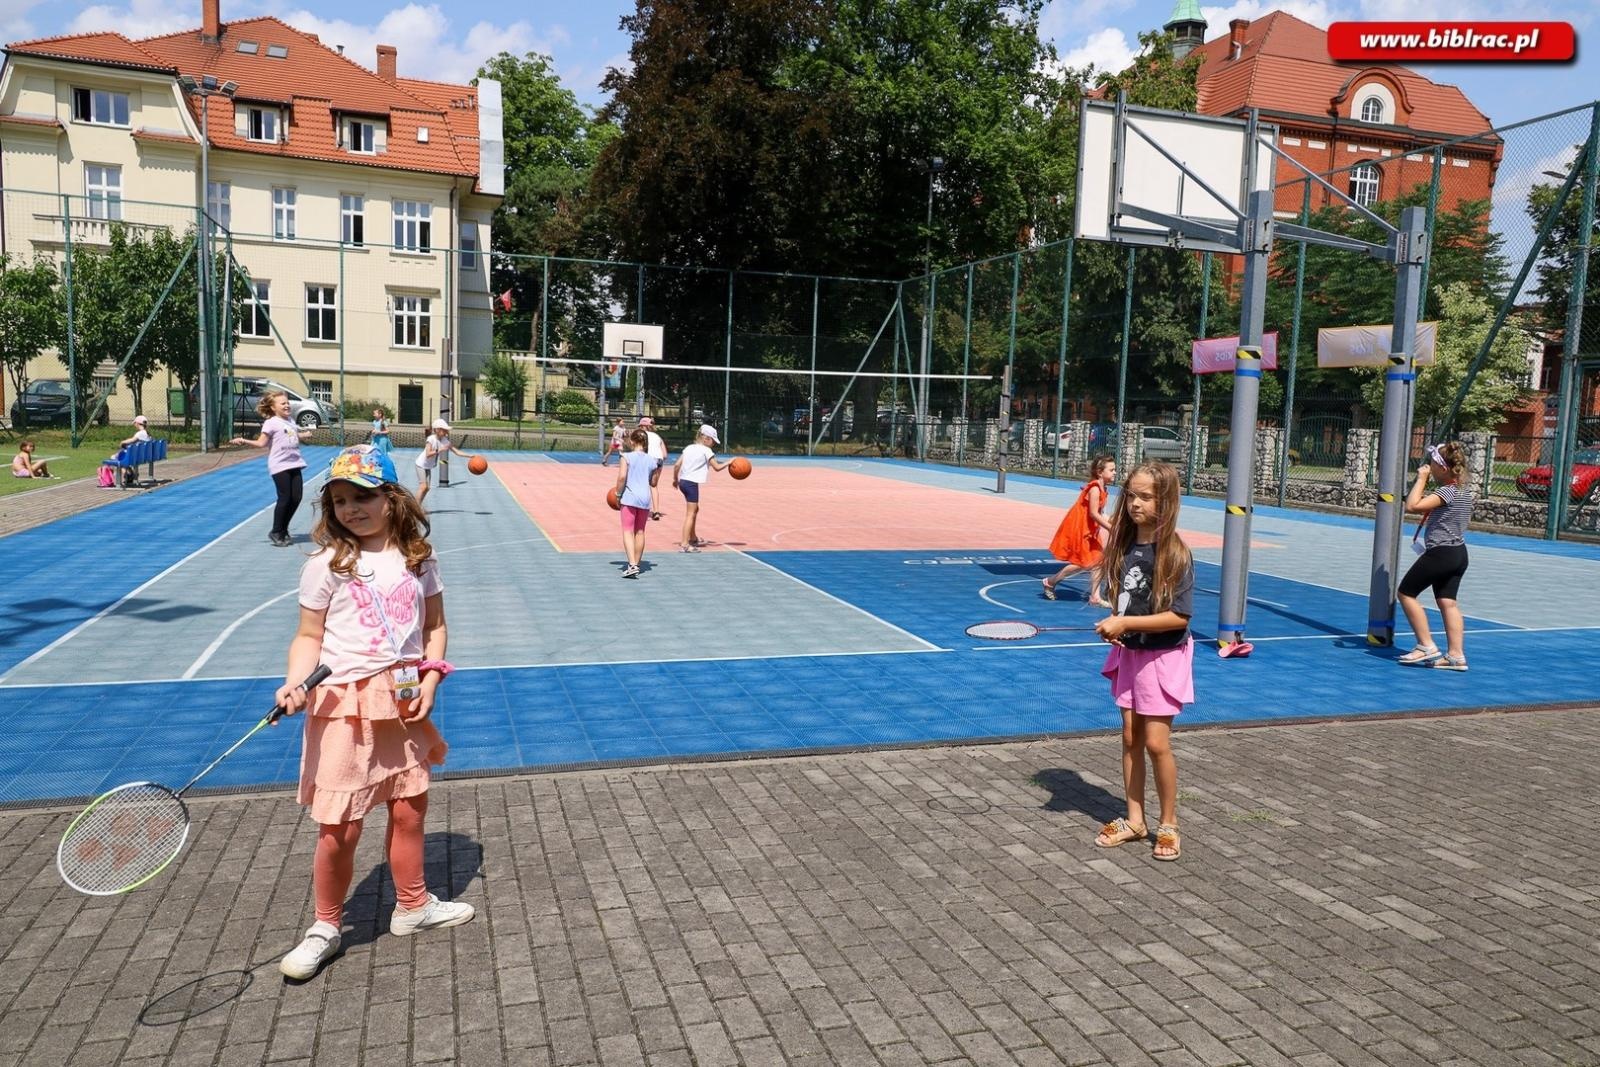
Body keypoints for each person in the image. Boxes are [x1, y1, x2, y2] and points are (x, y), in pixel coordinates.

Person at [272, 444, 473, 980]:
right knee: (340, 826)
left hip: (403, 696)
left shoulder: (418, 558)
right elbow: (308, 635)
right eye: (339, 500)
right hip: (343, 705)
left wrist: (433, 674)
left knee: (409, 809)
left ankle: (413, 907)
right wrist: (294, 682)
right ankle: (326, 926)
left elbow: (435, 626)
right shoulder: (325, 564)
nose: (350, 508)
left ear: (391, 497)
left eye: (362, 496)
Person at [1092, 461, 1193, 862]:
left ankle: (1169, 823)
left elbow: (1179, 617)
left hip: (1163, 657)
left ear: (1165, 502)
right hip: (1130, 653)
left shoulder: (1175, 553)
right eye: (1131, 495)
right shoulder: (1123, 546)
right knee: (1130, 737)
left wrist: (1126, 621)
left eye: (1145, 496)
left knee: (1155, 743)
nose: (1135, 503)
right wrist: (1118, 628)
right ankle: (1136, 820)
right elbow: (1126, 601)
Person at [1397, 441, 1474, 671]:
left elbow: (1412, 506)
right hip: (1459, 553)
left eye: (1431, 463)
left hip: (1441, 553)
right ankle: (1455, 656)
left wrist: (1421, 479)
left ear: (1443, 468)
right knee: (1447, 603)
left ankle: (1426, 645)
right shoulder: (1463, 491)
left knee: (1406, 593)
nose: (1428, 466)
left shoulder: (1446, 492)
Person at [231, 393, 316, 546]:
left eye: (287, 403)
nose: (287, 405)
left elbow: (293, 434)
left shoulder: (290, 420)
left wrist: (304, 435)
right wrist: (243, 440)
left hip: (295, 462)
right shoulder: (271, 423)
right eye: (282, 403)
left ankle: (284, 529)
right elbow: (261, 443)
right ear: (273, 407)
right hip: (279, 464)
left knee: (296, 498)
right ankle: (276, 531)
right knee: (285, 498)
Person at [1043, 454, 1116, 604]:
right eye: (1111, 469)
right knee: (1083, 563)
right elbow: (1093, 513)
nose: (1115, 472)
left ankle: (1095, 596)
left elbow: (1101, 513)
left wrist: (1114, 522)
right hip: (1080, 529)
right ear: (1100, 472)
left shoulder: (1104, 489)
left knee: (1098, 561)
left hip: (1090, 530)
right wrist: (1110, 528)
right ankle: (1050, 581)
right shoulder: (1095, 488)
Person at [673, 424, 729, 552]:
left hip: (683, 482)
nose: (713, 444)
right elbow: (717, 467)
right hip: (692, 484)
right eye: (713, 441)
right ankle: (685, 544)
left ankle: (693, 538)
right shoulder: (706, 450)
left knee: (695, 509)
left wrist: (675, 480)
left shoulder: (688, 448)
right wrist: (730, 462)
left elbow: (677, 465)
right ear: (706, 439)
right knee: (690, 514)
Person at [614, 428, 657, 578]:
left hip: (630, 497)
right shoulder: (652, 460)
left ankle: (632, 564)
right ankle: (636, 564)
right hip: (645, 498)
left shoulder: (626, 457)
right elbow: (653, 482)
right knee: (640, 531)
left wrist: (618, 494)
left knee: (627, 531)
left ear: (631, 441)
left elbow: (621, 477)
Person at [415, 419, 478, 506]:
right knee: (423, 486)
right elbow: (428, 454)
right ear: (437, 430)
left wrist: (470, 456)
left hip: (427, 466)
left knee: (427, 488)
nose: (446, 432)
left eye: (446, 430)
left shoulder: (444, 440)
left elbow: (457, 452)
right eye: (444, 430)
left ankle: (417, 505)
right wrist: (440, 449)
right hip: (421, 465)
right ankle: (414, 507)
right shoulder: (431, 439)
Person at [639, 416, 667, 519]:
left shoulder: (641, 435)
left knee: (642, 485)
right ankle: (656, 511)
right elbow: (664, 455)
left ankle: (642, 509)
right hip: (659, 460)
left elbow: (639, 450)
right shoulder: (658, 436)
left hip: (648, 459)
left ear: (643, 426)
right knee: (654, 486)